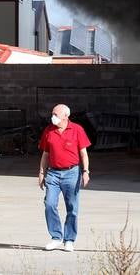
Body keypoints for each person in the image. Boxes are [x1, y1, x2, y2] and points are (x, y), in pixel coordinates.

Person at [38, 103, 91, 252]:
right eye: (52, 114)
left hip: (71, 173)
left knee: (72, 208)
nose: (53, 117)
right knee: (49, 204)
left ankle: (69, 240)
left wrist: (85, 171)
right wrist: (42, 172)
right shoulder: (49, 131)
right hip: (53, 173)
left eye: (56, 114)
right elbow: (45, 155)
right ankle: (56, 237)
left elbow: (83, 153)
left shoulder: (77, 130)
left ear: (66, 116)